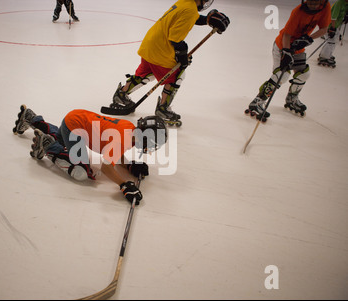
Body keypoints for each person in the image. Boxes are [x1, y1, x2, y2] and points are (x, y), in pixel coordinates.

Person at [106, 0, 230, 125]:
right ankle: (162, 109)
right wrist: (183, 57)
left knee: (147, 72)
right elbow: (175, 38)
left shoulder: (185, 2)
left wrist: (207, 20)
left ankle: (121, 94)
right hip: (161, 50)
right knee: (177, 75)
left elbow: (189, 18)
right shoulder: (191, 11)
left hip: (150, 44)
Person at [12, 105, 167, 205]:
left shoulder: (130, 130)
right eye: (153, 144)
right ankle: (47, 146)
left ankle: (31, 118)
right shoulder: (124, 139)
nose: (152, 148)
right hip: (75, 128)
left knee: (63, 139)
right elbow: (106, 167)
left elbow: (112, 152)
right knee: (81, 172)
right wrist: (124, 184)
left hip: (76, 118)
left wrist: (129, 165)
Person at [247, 0, 331, 119]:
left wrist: (308, 39)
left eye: (315, 3)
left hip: (298, 48)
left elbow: (324, 29)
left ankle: (292, 98)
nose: (312, 6)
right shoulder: (298, 12)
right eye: (310, 2)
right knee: (282, 75)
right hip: (283, 45)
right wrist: (286, 52)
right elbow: (286, 34)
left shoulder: (325, 7)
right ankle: (258, 101)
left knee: (304, 74)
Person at [318, 0, 348, 67]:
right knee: (331, 41)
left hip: (336, 25)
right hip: (330, 25)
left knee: (334, 40)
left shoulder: (346, 4)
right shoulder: (339, 3)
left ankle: (326, 54)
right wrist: (332, 28)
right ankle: (324, 57)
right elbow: (333, 17)